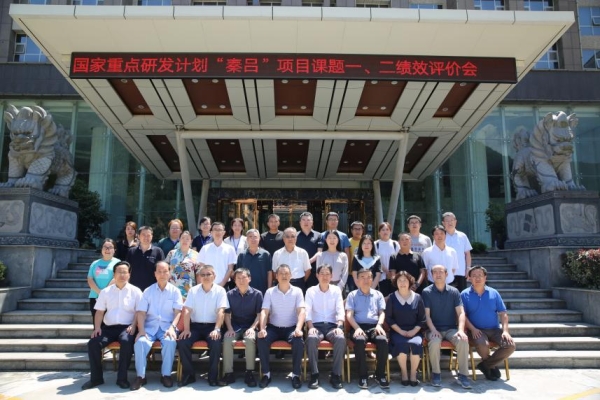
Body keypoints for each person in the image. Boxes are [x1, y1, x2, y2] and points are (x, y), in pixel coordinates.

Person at [82, 261, 142, 391]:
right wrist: (97, 328)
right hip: (108, 328)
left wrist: (134, 325)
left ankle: (122, 378)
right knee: (93, 343)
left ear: (129, 275)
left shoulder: (136, 291)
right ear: (114, 274)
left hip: (127, 327)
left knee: (126, 341)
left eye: (125, 272)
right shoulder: (105, 292)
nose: (122, 275)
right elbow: (99, 312)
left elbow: (139, 312)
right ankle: (96, 378)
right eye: (119, 272)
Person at [131, 261, 183, 390]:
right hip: (149, 327)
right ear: (155, 274)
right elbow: (141, 313)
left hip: (167, 328)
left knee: (170, 342)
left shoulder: (175, 291)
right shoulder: (148, 291)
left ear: (169, 273)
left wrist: (172, 328)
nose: (162, 274)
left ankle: (166, 375)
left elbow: (178, 312)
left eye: (165, 271)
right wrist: (141, 330)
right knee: (140, 343)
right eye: (159, 272)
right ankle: (141, 376)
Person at [177, 265, 228, 387]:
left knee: (215, 343)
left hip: (212, 327)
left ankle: (212, 377)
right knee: (183, 342)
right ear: (199, 277)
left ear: (214, 276)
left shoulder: (220, 291)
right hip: (195, 326)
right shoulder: (193, 290)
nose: (205, 277)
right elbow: (187, 310)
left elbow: (221, 311)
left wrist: (217, 329)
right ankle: (189, 375)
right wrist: (186, 329)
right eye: (203, 275)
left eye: (208, 274)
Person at [461, 266, 516, 381]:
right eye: (474, 276)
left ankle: (486, 365)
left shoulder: (494, 293)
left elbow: (503, 313)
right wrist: (473, 329)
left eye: (480, 275)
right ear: (469, 278)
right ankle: (491, 366)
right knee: (482, 344)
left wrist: (505, 331)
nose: (477, 278)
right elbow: (462, 315)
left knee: (510, 345)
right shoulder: (464, 294)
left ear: (485, 277)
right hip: (476, 330)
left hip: (494, 329)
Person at [422, 264, 471, 389]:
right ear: (431, 275)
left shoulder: (454, 291)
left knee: (462, 340)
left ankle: (463, 375)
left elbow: (461, 313)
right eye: (435, 272)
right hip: (433, 329)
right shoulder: (426, 292)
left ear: (446, 274)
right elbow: (426, 315)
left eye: (441, 272)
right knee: (434, 341)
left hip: (451, 329)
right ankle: (436, 374)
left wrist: (461, 330)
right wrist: (433, 330)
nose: (438, 274)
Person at [257, 264, 305, 389]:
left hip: (291, 328)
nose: (284, 276)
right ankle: (266, 374)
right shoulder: (270, 292)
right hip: (274, 328)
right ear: (276, 276)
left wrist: (298, 328)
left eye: (286, 273)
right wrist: (262, 329)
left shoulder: (297, 291)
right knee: (262, 339)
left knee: (298, 340)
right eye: (281, 274)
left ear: (291, 275)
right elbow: (264, 312)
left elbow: (301, 311)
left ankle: (296, 375)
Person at [345, 268, 389, 390]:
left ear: (372, 279)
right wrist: (357, 328)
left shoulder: (378, 294)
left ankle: (380, 375)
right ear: (357, 280)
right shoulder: (352, 295)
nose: (366, 280)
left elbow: (382, 313)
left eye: (369, 277)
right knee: (359, 341)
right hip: (358, 326)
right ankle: (363, 376)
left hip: (375, 326)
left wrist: (379, 325)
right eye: (362, 277)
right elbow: (349, 315)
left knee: (382, 340)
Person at [220, 268, 264, 387]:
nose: (241, 280)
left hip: (250, 326)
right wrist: (229, 329)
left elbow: (259, 315)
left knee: (250, 340)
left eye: (244, 277)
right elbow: (227, 314)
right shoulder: (229, 294)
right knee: (227, 340)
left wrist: (252, 328)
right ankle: (228, 374)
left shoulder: (257, 294)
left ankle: (249, 373)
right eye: (238, 278)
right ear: (234, 280)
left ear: (249, 278)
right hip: (235, 326)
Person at [305, 264, 345, 390]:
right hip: (316, 326)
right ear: (317, 275)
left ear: (331, 276)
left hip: (332, 326)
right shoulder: (311, 291)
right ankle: (314, 375)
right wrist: (310, 327)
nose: (325, 276)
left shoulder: (336, 290)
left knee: (340, 338)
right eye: (322, 273)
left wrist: (339, 326)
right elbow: (307, 311)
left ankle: (336, 375)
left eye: (327, 274)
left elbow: (340, 310)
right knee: (311, 338)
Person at [385, 271, 426, 387]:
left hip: (415, 331)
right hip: (397, 331)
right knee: (401, 343)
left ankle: (413, 374)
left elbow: (422, 319)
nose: (402, 283)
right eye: (399, 280)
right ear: (396, 282)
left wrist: (413, 331)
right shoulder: (392, 297)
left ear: (410, 282)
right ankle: (404, 373)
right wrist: (401, 331)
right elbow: (389, 318)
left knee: (416, 344)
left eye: (405, 280)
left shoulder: (417, 297)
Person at [86, 238, 119, 321]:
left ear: (114, 250)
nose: (107, 249)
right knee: (97, 321)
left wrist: (105, 292)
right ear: (101, 249)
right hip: (95, 296)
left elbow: (116, 278)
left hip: (111, 296)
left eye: (110, 247)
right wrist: (100, 292)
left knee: (109, 322)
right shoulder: (95, 263)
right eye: (105, 247)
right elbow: (90, 279)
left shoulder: (118, 263)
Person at [271, 227, 311, 293]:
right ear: (283, 238)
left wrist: (300, 281)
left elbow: (308, 270)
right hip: (282, 284)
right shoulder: (277, 253)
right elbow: (274, 272)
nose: (290, 239)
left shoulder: (303, 252)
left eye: (292, 236)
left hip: (299, 284)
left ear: (296, 238)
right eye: (287, 236)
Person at [198, 222, 237, 288]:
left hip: (224, 285)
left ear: (224, 232)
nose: (217, 232)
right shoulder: (205, 248)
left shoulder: (230, 249)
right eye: (215, 230)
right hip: (207, 284)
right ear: (211, 232)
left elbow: (230, 269)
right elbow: (201, 267)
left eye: (220, 230)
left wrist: (222, 284)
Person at [126, 226, 165, 292]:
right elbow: (127, 270)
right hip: (133, 289)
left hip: (152, 289)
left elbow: (162, 270)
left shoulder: (158, 251)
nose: (146, 237)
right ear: (138, 236)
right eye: (143, 235)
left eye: (148, 235)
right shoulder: (131, 251)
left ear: (152, 236)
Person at [442, 212, 473, 292]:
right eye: (447, 221)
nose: (450, 223)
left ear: (455, 222)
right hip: (445, 273)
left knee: (460, 295)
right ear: (443, 223)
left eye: (452, 220)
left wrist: (468, 268)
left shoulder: (462, 236)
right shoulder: (440, 236)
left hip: (460, 272)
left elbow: (467, 254)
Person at [165, 230, 199, 299]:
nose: (185, 240)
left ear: (191, 241)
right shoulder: (172, 253)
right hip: (172, 288)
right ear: (179, 239)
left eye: (187, 239)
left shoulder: (196, 255)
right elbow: (165, 269)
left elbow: (198, 273)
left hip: (189, 289)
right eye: (183, 238)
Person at [236, 229, 271, 294]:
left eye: (255, 237)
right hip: (245, 290)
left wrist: (269, 289)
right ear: (247, 239)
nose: (253, 239)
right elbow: (238, 274)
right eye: (250, 237)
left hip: (262, 289)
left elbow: (269, 272)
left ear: (259, 239)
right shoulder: (242, 255)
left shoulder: (265, 254)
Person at [295, 211, 322, 289]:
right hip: (299, 269)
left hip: (313, 270)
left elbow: (319, 252)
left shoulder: (318, 235)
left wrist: (308, 262)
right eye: (303, 220)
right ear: (300, 222)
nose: (306, 222)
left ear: (312, 222)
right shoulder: (295, 236)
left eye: (308, 220)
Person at [375, 222, 399, 297]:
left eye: (387, 229)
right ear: (379, 232)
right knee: (383, 297)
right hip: (381, 276)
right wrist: (386, 271)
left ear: (390, 231)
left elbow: (398, 259)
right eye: (383, 230)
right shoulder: (376, 244)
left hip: (394, 276)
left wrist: (392, 273)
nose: (385, 232)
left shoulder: (395, 244)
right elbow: (376, 260)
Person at [348, 221, 365, 291]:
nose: (357, 231)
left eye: (359, 229)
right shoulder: (348, 242)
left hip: (364, 273)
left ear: (362, 230)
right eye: (355, 229)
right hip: (351, 273)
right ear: (351, 230)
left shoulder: (366, 242)